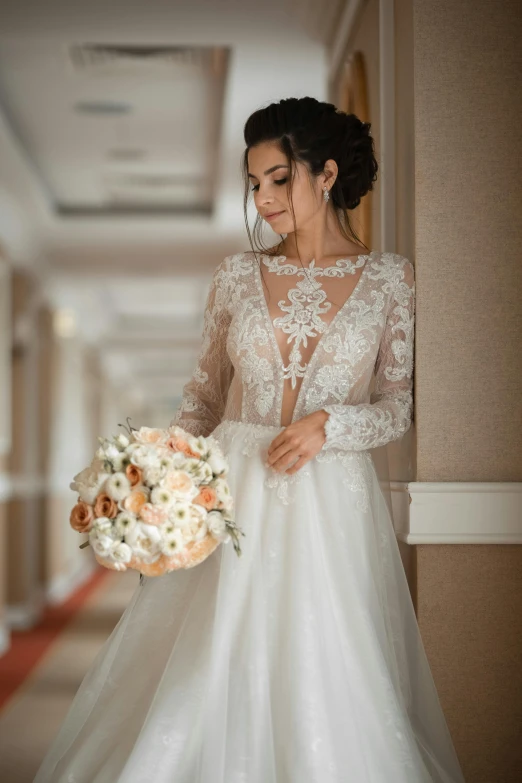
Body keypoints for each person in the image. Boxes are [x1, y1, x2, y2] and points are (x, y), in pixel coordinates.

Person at [33, 96, 466, 782]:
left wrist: (330, 424)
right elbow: (203, 397)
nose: (262, 198)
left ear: (325, 175)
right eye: (253, 183)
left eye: (277, 178)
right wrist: (157, 480)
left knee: (323, 676)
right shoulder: (236, 275)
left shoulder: (390, 279)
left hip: (331, 507)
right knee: (205, 668)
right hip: (233, 492)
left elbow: (397, 406)